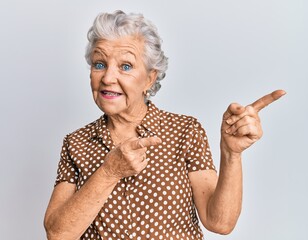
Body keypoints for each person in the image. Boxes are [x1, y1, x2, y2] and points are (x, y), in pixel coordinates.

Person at [44, 10, 285, 240]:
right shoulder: (76, 143)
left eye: (125, 66)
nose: (107, 77)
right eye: (99, 64)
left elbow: (219, 223)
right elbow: (58, 234)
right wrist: (109, 172)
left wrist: (231, 153)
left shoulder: (185, 131)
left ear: (150, 78)